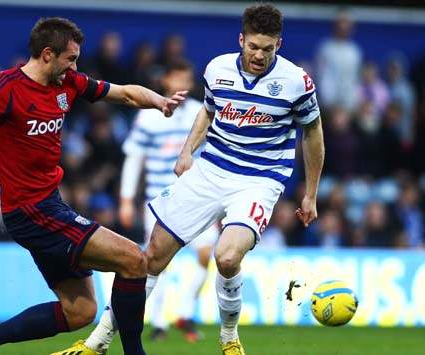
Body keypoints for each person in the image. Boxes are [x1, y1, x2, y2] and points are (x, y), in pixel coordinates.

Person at [54, 4, 324, 355]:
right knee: (148, 259)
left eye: (267, 49)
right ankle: (97, 343)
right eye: (253, 46)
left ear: (279, 45)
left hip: (259, 180)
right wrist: (187, 151)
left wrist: (311, 194)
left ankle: (229, 339)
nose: (259, 55)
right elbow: (208, 112)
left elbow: (313, 132)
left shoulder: (296, 82)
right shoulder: (218, 69)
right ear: (241, 39)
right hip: (210, 170)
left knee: (226, 257)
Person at [0, 17, 187, 355]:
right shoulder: (4, 87)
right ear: (46, 54)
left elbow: (125, 94)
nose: (75, 65)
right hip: (31, 210)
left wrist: (159, 101)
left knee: (79, 311)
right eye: (70, 58)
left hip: (48, 206)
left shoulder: (68, 82)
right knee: (134, 260)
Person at [118, 60, 219, 342]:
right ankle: (159, 322)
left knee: (205, 253)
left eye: (186, 79)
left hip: (196, 196)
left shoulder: (201, 112)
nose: (182, 85)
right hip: (159, 197)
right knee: (156, 260)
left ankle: (185, 314)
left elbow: (210, 156)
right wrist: (126, 199)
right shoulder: (149, 116)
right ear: (165, 81)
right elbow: (134, 158)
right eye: (177, 78)